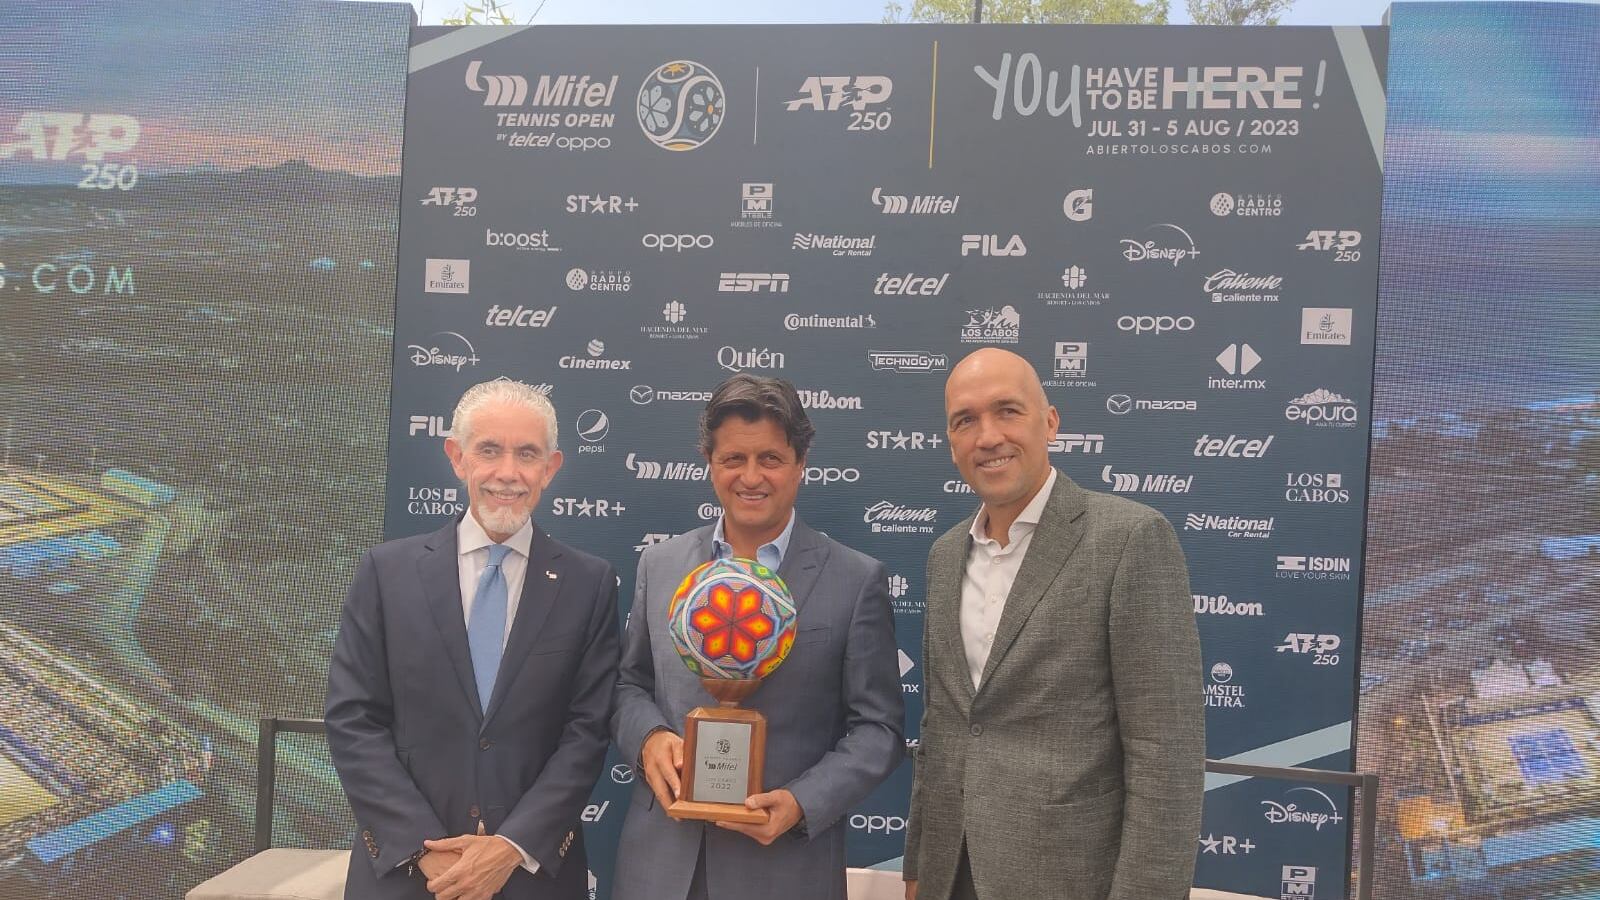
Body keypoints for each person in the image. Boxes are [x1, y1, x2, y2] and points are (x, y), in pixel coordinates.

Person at [903, 349, 1204, 900]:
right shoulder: (944, 556)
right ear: (950, 444)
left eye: (1008, 411)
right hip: (952, 875)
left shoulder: (1130, 538)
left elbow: (1167, 756)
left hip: (1069, 881)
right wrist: (918, 870)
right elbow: (944, 727)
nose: (987, 436)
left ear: (1050, 421)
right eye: (965, 420)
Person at [611, 374, 904, 900]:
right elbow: (627, 685)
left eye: (770, 459)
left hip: (784, 870)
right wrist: (648, 738)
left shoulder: (856, 581)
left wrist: (801, 803)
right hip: (659, 868)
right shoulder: (660, 566)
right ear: (710, 464)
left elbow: (879, 729)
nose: (751, 477)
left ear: (800, 464)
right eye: (733, 460)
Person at [327, 379, 619, 900]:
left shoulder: (589, 584)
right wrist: (427, 849)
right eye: (489, 450)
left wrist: (510, 847)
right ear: (457, 457)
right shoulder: (385, 573)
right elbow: (355, 720)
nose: (507, 472)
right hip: (405, 876)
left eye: (526, 454)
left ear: (550, 468)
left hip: (530, 879)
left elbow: (587, 732)